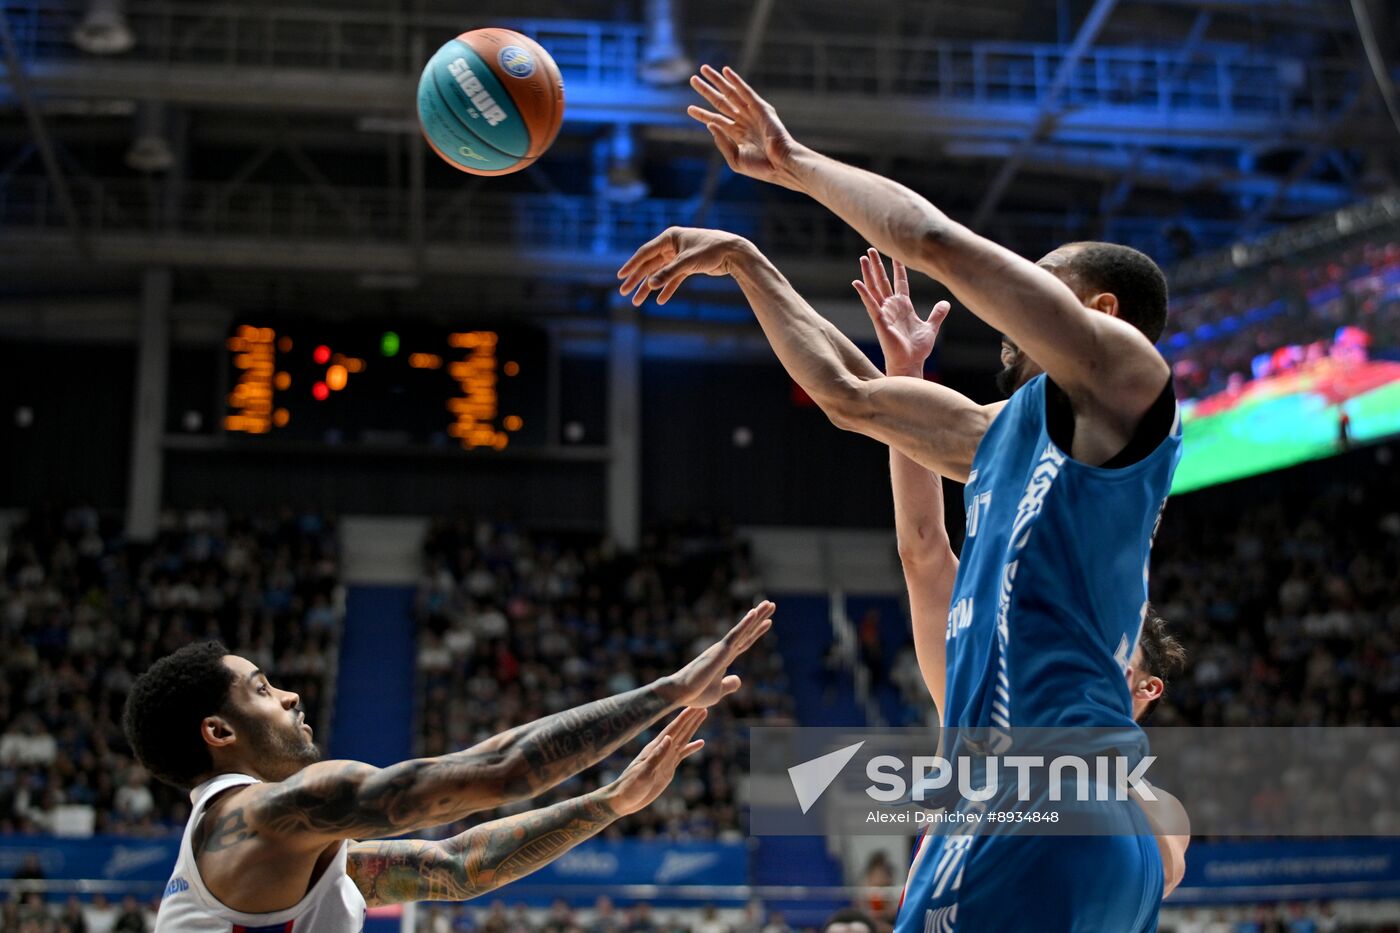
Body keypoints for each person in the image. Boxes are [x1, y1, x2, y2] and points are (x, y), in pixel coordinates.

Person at [618, 63, 1182, 931]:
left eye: (1041, 281)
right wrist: (747, 262)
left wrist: (793, 161)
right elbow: (849, 396)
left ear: (1101, 310)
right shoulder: (1006, 433)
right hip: (1072, 812)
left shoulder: (1128, 380)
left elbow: (934, 242)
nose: (1008, 311)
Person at [853, 251, 1190, 896]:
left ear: (1144, 688)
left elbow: (1157, 869)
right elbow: (923, 550)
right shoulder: (978, 701)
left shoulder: (1155, 806)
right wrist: (906, 376)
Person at [122, 603, 775, 931]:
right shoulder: (267, 815)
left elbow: (456, 867)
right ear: (219, 732)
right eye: (263, 689)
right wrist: (667, 692)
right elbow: (501, 768)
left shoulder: (271, 845)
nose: (291, 695)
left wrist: (611, 802)